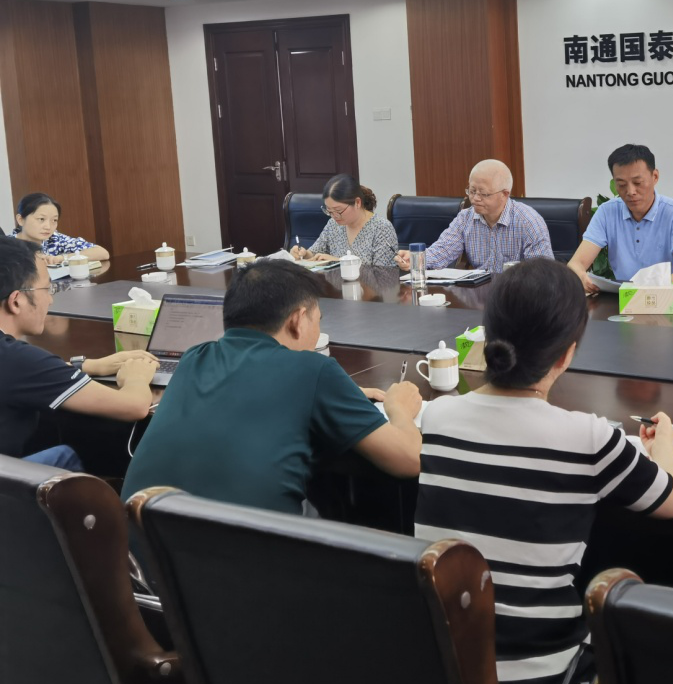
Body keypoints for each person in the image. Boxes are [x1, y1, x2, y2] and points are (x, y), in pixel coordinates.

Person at [415, 258, 673, 684]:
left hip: (440, 671)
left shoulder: (438, 416)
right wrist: (665, 445)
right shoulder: (588, 437)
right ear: (566, 354)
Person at [122, 260, 422, 514]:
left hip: (141, 553)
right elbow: (409, 460)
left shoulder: (194, 358)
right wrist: (399, 409)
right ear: (298, 321)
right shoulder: (314, 370)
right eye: (317, 319)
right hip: (246, 556)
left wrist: (340, 394)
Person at [0, 237, 155, 468]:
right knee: (67, 456)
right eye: (47, 289)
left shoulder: (17, 361)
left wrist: (88, 366)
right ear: (16, 301)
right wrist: (136, 378)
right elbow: (134, 406)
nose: (50, 300)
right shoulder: (18, 359)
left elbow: (24, 375)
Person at [566, 144, 673, 291]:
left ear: (655, 177)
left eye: (637, 183)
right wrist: (581, 276)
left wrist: (643, 291)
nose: (630, 191)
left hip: (665, 297)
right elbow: (576, 263)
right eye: (621, 184)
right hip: (621, 298)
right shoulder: (607, 212)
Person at [393, 159, 552, 273]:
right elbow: (442, 250)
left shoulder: (528, 222)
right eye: (472, 191)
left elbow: (542, 273)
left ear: (505, 194)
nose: (475, 198)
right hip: (478, 295)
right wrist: (416, 258)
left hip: (517, 295)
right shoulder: (465, 218)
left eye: (483, 193)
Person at [290, 174, 398, 267]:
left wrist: (339, 262)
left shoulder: (381, 228)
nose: (334, 216)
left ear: (357, 203)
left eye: (338, 210)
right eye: (329, 211)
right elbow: (315, 252)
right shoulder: (333, 224)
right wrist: (304, 254)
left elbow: (383, 275)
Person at [11, 192, 110, 264]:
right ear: (20, 220)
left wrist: (60, 258)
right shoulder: (7, 246)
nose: (48, 227)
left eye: (54, 220)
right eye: (41, 219)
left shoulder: (55, 240)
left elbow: (102, 253)